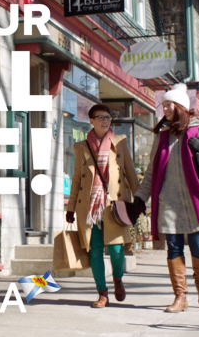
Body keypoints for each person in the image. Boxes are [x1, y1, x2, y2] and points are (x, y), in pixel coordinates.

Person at [134, 83, 199, 312]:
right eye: (163, 104)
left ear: (181, 107)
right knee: (173, 249)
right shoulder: (162, 136)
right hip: (168, 200)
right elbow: (152, 171)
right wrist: (140, 197)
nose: (164, 108)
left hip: (195, 200)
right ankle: (180, 297)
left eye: (169, 104)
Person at [66, 104, 140, 308]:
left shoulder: (120, 142)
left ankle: (117, 278)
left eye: (107, 117)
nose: (105, 120)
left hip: (114, 205)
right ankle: (102, 293)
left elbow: (130, 172)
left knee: (116, 250)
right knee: (95, 250)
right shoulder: (81, 147)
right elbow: (76, 180)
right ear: (91, 120)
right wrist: (71, 208)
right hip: (90, 208)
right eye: (100, 117)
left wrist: (141, 199)